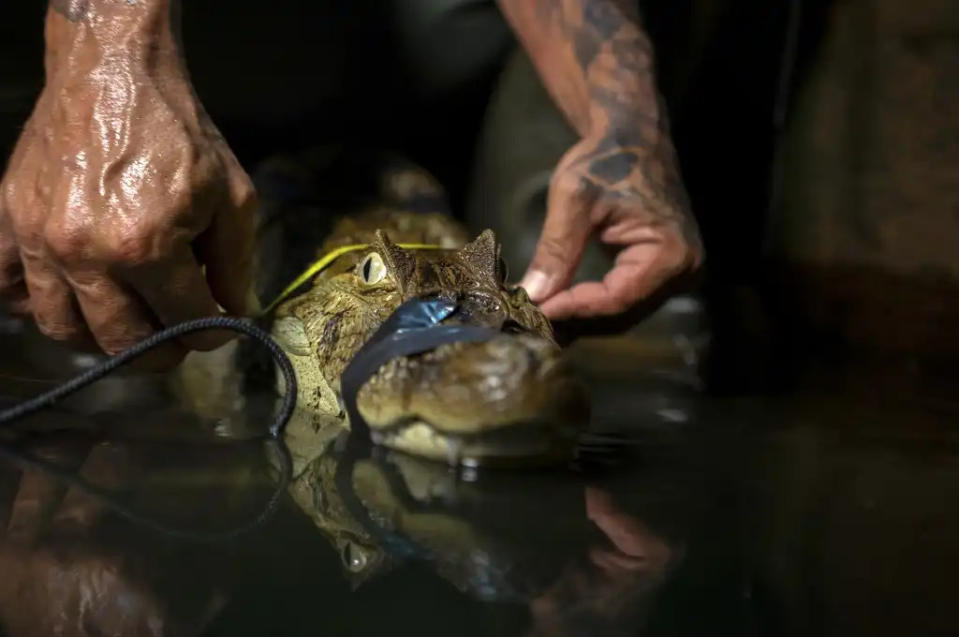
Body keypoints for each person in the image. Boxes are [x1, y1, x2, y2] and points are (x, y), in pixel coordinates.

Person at [0, 0, 702, 367]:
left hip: (448, 42)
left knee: (613, 309)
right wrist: (107, 54)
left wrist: (627, 128)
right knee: (86, 324)